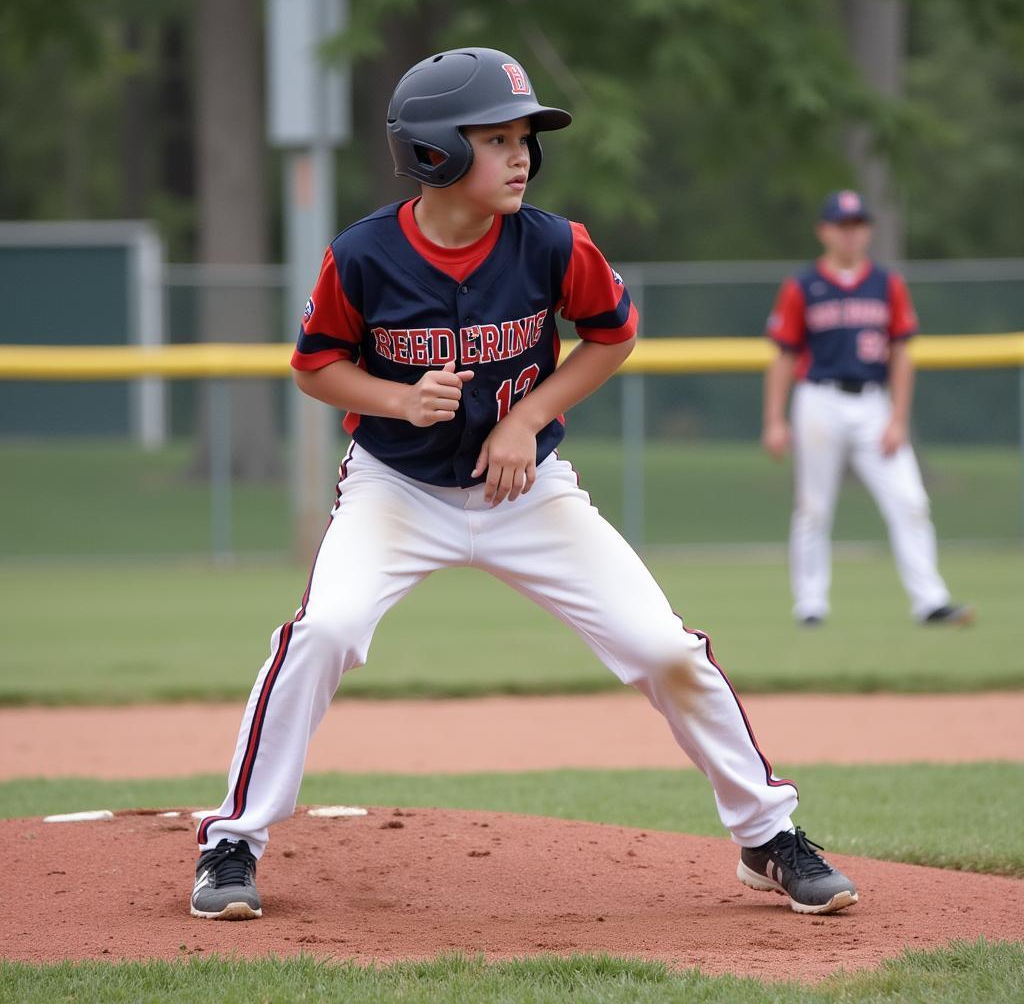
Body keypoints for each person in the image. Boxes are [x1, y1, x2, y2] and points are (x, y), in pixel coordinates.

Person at [190, 47, 857, 922]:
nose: (521, 157)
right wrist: (396, 397)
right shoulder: (364, 256)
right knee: (325, 631)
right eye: (497, 138)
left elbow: (612, 337)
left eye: (525, 140)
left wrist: (524, 418)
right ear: (435, 153)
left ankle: (768, 836)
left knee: (664, 648)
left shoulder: (553, 242)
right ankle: (232, 841)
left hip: (529, 491)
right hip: (399, 492)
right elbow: (315, 367)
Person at [762, 190, 974, 627]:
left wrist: (898, 418)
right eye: (842, 224)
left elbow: (902, 354)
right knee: (813, 506)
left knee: (910, 499)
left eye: (858, 224)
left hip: (874, 403)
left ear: (868, 230)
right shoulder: (803, 286)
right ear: (825, 231)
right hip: (818, 399)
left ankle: (931, 600)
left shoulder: (886, 284)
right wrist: (774, 420)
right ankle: (811, 605)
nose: (851, 232)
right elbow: (783, 356)